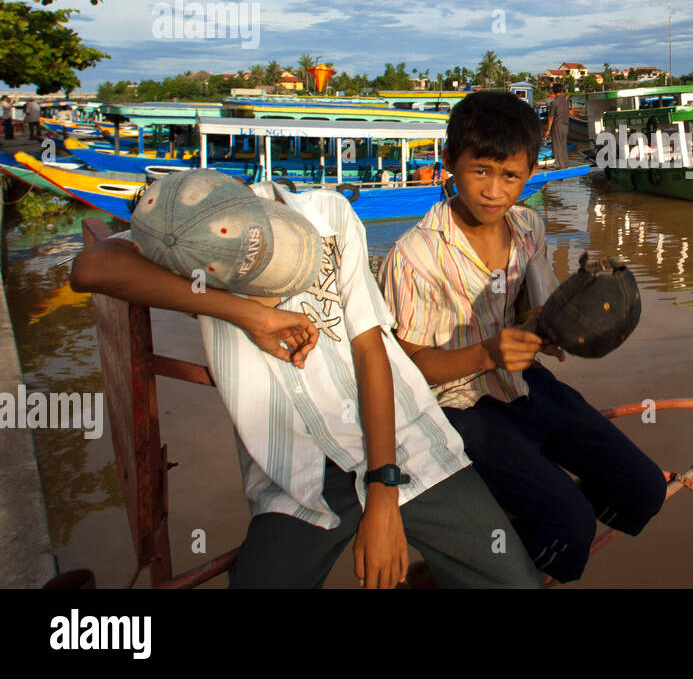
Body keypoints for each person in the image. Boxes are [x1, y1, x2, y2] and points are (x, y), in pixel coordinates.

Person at [70, 169, 540, 589]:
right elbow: (90, 268)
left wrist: (382, 493)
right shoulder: (193, 237)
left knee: (512, 579)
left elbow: (369, 347)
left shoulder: (327, 214)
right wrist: (247, 313)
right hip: (295, 474)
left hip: (401, 447)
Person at [379, 91, 665, 583]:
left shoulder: (529, 226)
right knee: (569, 525)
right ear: (450, 162)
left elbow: (524, 310)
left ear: (531, 172)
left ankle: (522, 525)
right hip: (454, 408)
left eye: (510, 176)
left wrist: (551, 328)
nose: (494, 191)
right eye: (481, 171)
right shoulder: (413, 255)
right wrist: (489, 352)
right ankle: (451, 570)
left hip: (523, 385)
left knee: (642, 488)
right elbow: (403, 370)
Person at [543, 82, 570, 169]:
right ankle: (565, 164)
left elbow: (551, 117)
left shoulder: (554, 102)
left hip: (558, 125)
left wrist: (548, 130)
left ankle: (559, 165)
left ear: (553, 91)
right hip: (565, 125)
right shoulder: (566, 101)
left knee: (557, 146)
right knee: (563, 145)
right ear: (561, 90)